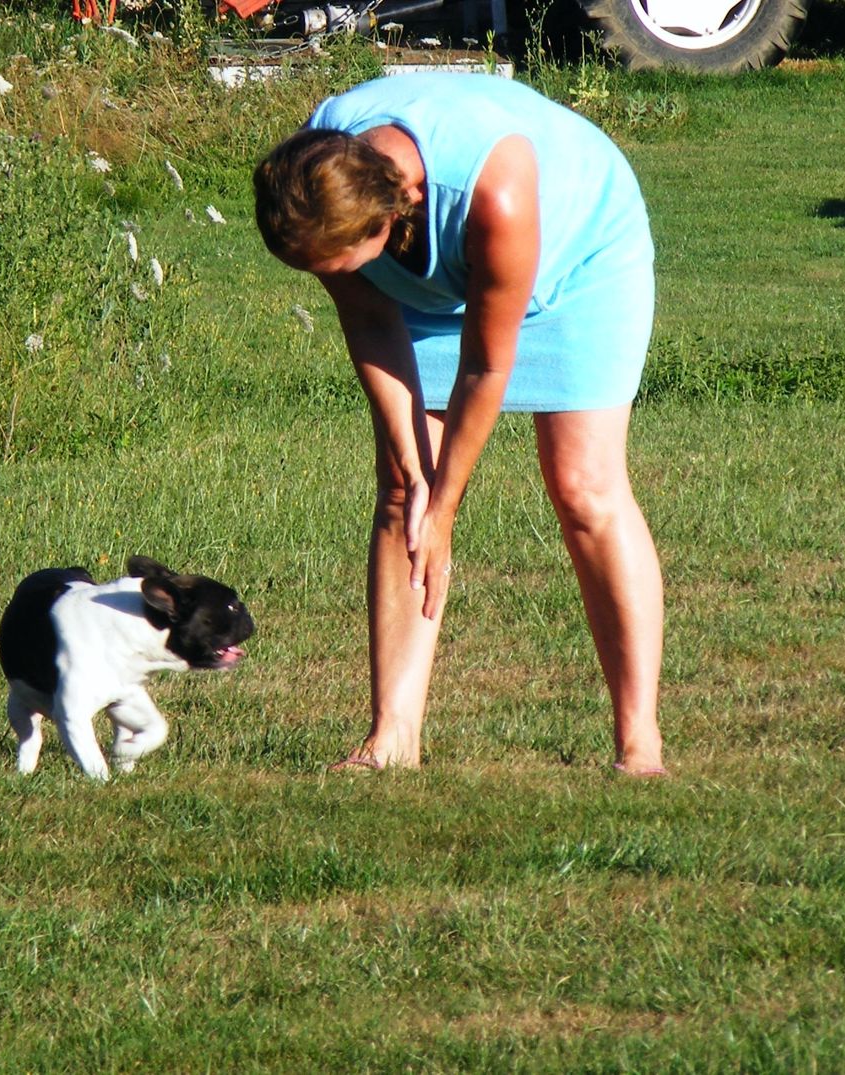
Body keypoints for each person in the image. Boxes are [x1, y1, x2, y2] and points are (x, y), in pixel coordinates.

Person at [252, 72, 667, 776]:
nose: (327, 277)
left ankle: (640, 743)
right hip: (418, 286)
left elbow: (484, 365)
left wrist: (446, 504)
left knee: (583, 488)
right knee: (399, 493)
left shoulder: (492, 189)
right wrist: (416, 476)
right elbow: (370, 317)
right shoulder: (313, 182)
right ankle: (392, 739)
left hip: (580, 259)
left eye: (337, 265)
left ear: (391, 215)